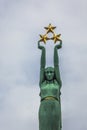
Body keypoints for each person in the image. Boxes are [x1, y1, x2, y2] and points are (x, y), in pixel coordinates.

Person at [38, 40, 62, 130]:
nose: (49, 74)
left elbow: (56, 65)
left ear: (54, 73)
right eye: (47, 72)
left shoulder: (57, 83)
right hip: (43, 107)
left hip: (55, 107)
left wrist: (56, 49)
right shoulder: (42, 84)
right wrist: (43, 49)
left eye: (51, 72)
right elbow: (42, 66)